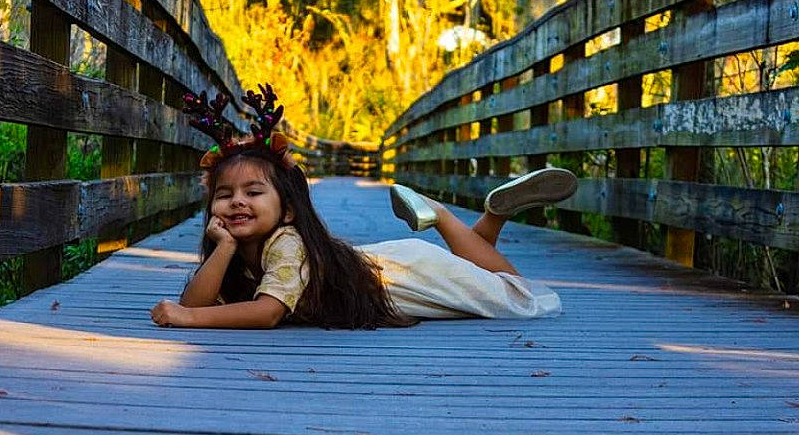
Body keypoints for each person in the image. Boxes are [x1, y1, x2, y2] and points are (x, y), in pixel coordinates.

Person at [150, 83, 576, 331]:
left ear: (289, 211)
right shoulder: (240, 248)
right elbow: (200, 300)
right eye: (224, 195)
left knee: (520, 296)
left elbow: (266, 312)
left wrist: (189, 319)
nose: (237, 201)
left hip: (407, 279)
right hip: (388, 266)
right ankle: (488, 220)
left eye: (253, 192)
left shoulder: (287, 243)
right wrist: (221, 250)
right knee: (486, 275)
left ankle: (449, 214)